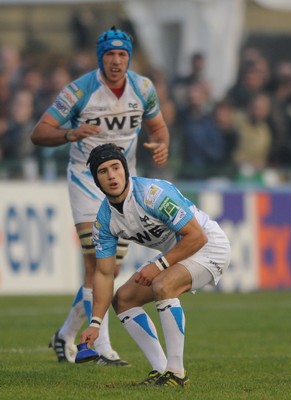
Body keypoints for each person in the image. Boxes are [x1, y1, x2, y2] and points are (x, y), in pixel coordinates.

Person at [31, 26, 170, 365]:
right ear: (100, 58)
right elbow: (39, 132)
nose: (116, 61)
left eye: (122, 54)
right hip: (84, 179)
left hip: (122, 186)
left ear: (129, 58)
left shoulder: (144, 88)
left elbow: (159, 127)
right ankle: (101, 347)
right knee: (96, 262)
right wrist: (70, 133)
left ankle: (66, 336)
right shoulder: (80, 90)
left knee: (110, 267)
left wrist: (163, 144)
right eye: (110, 54)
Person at [80, 143, 231, 386]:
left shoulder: (152, 194)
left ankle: (177, 373)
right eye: (103, 171)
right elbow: (104, 274)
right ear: (97, 180)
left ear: (125, 169)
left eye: (116, 167)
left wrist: (159, 264)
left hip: (210, 246)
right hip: (177, 253)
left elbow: (197, 236)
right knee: (124, 299)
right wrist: (95, 323)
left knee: (163, 284)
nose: (111, 176)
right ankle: (161, 370)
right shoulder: (105, 220)